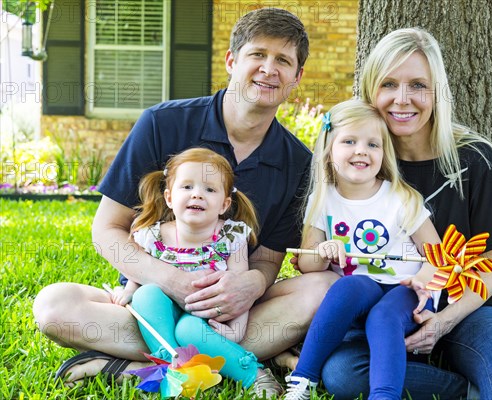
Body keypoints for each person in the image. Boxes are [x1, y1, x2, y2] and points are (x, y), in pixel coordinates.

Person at [33, 8, 338, 397]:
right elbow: (107, 229)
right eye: (257, 55)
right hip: (148, 306)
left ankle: (133, 367)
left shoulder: (298, 163)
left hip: (225, 313)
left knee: (324, 287)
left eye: (283, 60)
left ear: (297, 77)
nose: (268, 69)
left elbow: (267, 260)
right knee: (54, 306)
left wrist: (250, 284)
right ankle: (224, 362)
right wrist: (171, 280)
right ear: (232, 61)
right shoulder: (163, 123)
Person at [319, 28, 492, 399]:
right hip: (383, 312)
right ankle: (465, 392)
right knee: (343, 374)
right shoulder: (361, 161)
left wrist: (442, 322)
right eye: (389, 84)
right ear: (372, 90)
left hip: (470, 307)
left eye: (418, 85)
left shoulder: (475, 159)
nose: (402, 100)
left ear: (437, 92)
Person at [282, 99, 442, 400]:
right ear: (329, 149)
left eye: (373, 144)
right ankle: (303, 380)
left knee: (383, 316)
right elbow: (309, 264)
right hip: (360, 295)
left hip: (406, 292)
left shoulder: (401, 198)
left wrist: (423, 280)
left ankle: (384, 396)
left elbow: (436, 255)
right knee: (349, 286)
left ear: (384, 153)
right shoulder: (323, 198)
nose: (361, 150)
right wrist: (324, 249)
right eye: (349, 141)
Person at [107, 147, 278, 393]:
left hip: (205, 314)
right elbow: (141, 273)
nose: (197, 195)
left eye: (209, 189)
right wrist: (130, 290)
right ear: (169, 198)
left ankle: (254, 374)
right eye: (187, 187)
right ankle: (170, 361)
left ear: (224, 203)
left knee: (188, 330)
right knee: (147, 294)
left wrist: (236, 328)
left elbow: (239, 287)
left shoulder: (231, 236)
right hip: (163, 311)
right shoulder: (153, 235)